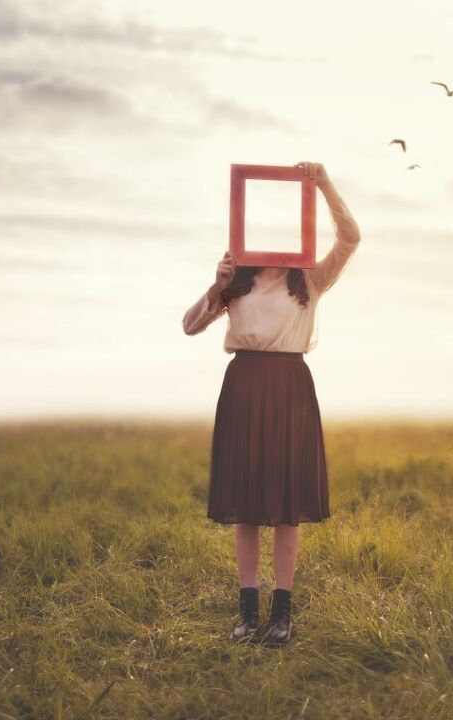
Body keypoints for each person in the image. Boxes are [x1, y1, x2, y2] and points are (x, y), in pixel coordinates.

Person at [181, 161, 361, 647]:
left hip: (290, 388)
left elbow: (350, 237)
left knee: (285, 509)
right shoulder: (235, 278)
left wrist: (323, 181)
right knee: (247, 507)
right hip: (245, 385)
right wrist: (217, 285)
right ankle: (247, 613)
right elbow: (189, 325)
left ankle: (282, 613)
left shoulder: (310, 279)